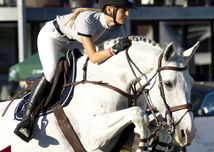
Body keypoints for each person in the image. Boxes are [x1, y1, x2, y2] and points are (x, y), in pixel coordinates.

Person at [14, 0, 136, 142]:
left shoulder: (118, 30)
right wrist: (114, 49)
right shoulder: (88, 19)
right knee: (51, 72)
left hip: (75, 43)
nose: (127, 14)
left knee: (87, 72)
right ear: (110, 10)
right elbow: (95, 57)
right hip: (52, 36)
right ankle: (26, 119)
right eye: (124, 10)